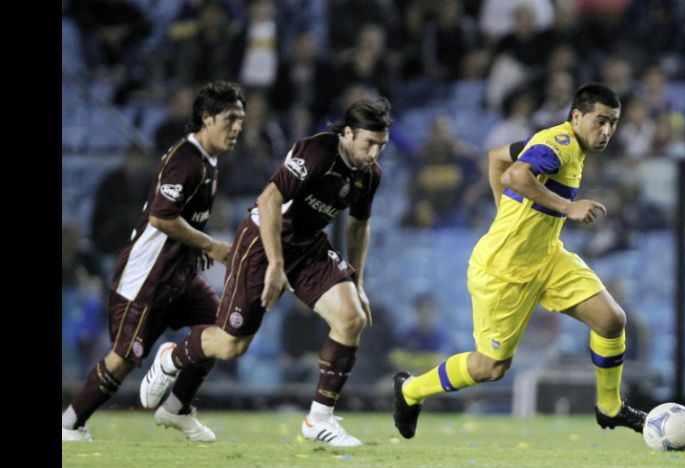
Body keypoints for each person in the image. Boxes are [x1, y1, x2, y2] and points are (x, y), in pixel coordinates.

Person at [393, 83, 647, 439]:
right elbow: (514, 174)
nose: (606, 131)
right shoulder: (558, 145)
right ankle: (409, 391)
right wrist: (568, 207)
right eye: (600, 120)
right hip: (504, 270)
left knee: (610, 320)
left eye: (613, 123)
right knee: (490, 368)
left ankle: (610, 408)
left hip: (546, 256)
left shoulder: (565, 145)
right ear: (576, 116)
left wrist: (505, 211)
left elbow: (497, 156)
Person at [140, 98, 392, 447]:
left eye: (381, 145)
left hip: (307, 247)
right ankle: (172, 356)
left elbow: (359, 226)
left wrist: (358, 281)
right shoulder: (316, 152)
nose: (375, 152)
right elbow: (268, 200)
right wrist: (275, 263)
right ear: (347, 133)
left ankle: (318, 420)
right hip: (262, 241)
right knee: (230, 346)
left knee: (352, 318)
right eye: (369, 143)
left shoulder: (369, 175)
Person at [62, 80, 246, 442]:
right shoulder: (185, 160)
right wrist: (210, 245)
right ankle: (70, 423)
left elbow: (182, 220)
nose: (238, 127)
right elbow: (162, 217)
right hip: (148, 277)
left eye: (241, 119)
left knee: (222, 331)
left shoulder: (208, 163)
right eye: (230, 118)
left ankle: (177, 408)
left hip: (179, 275)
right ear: (207, 119)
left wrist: (194, 250)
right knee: (125, 358)